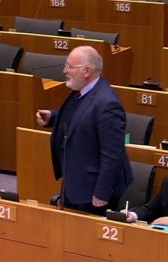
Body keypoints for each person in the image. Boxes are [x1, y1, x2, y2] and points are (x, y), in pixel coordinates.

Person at [36, 46, 133, 216]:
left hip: (93, 189)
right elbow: (79, 116)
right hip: (75, 179)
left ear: (87, 71)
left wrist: (102, 192)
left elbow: (112, 153)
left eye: (69, 66)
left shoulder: (108, 104)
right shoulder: (83, 90)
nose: (64, 70)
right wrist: (52, 117)